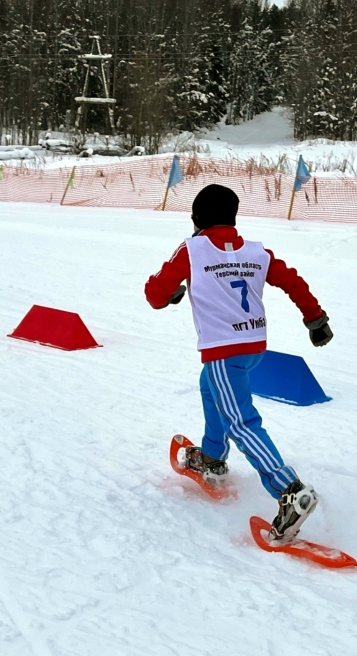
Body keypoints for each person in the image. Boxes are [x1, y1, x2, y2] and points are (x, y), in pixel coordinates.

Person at [145, 184, 334, 543]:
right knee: (210, 387)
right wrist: (315, 319)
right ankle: (212, 458)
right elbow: (292, 281)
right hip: (253, 347)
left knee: (241, 421)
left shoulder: (192, 249)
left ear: (197, 220)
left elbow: (155, 294)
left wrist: (170, 292)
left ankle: (289, 490)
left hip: (223, 351)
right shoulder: (256, 252)